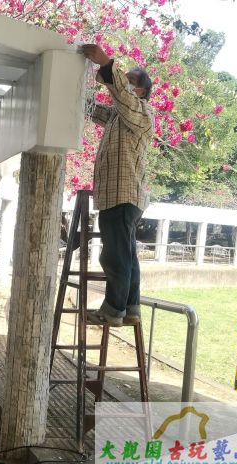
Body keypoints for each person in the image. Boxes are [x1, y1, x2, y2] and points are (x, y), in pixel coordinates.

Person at [81, 44, 154, 327]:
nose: (125, 83)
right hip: (122, 196)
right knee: (127, 255)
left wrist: (107, 64)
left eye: (131, 80)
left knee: (115, 256)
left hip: (122, 195)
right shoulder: (118, 116)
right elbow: (93, 109)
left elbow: (122, 95)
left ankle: (113, 311)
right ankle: (131, 309)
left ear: (141, 92)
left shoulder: (142, 112)